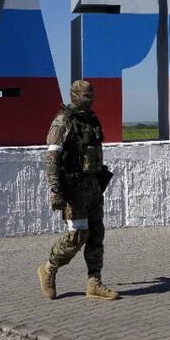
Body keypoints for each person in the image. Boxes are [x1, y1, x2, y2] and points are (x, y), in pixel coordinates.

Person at [37, 80, 120, 301]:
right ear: (74, 96)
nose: (89, 99)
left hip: (92, 186)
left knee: (96, 234)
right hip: (73, 190)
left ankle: (94, 282)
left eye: (91, 95)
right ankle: (49, 268)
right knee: (78, 235)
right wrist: (55, 189)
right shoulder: (62, 121)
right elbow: (52, 157)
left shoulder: (91, 120)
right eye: (85, 96)